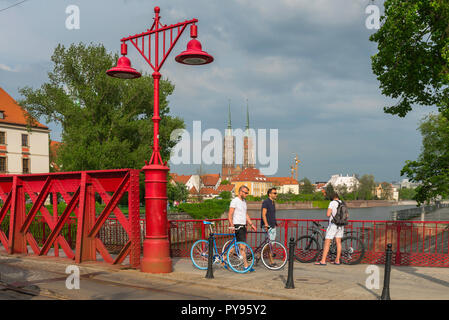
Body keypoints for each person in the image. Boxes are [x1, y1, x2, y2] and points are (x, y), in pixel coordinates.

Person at [228, 185, 257, 271]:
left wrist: (251, 224)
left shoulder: (244, 202)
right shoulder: (235, 201)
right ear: (240, 192)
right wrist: (232, 225)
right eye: (245, 193)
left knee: (235, 247)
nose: (247, 194)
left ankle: (223, 258)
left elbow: (245, 214)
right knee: (242, 247)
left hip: (243, 226)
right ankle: (246, 266)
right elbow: (230, 214)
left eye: (247, 193)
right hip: (238, 226)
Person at [315, 193, 343, 265]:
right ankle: (337, 260)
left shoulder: (332, 203)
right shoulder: (342, 202)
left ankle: (323, 261)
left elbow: (328, 214)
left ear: (332, 197)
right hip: (341, 225)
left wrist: (332, 214)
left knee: (327, 242)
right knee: (338, 242)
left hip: (333, 225)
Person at [260, 187, 278, 266]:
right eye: (274, 193)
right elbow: (263, 214)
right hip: (267, 226)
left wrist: (274, 224)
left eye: (276, 193)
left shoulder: (273, 202)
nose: (276, 194)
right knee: (270, 244)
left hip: (273, 225)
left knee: (271, 244)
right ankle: (271, 261)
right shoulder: (266, 202)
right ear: (269, 194)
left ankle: (258, 255)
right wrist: (266, 224)